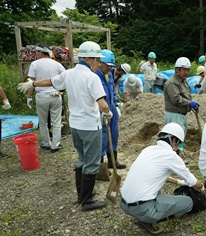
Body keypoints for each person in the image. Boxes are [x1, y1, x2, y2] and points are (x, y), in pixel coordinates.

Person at [18, 41, 113, 211]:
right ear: (89, 59)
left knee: (82, 159)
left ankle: (81, 196)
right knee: (91, 162)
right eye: (98, 60)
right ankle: (86, 201)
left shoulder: (69, 73)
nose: (99, 64)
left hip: (75, 125)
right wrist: (108, 113)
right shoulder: (92, 78)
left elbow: (50, 81)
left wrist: (33, 84)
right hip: (90, 125)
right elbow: (102, 104)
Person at [120, 122, 204, 235]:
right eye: (179, 144)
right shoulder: (171, 156)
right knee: (188, 202)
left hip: (124, 203)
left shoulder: (148, 150)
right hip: (142, 209)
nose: (179, 148)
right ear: (174, 141)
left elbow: (156, 175)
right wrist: (201, 186)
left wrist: (179, 182)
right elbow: (193, 182)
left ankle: (144, 215)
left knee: (154, 188)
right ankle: (146, 219)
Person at [27, 43, 66, 153]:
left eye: (37, 52)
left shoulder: (34, 64)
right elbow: (65, 77)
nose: (36, 54)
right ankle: (55, 145)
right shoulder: (56, 64)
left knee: (43, 122)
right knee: (56, 122)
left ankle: (46, 143)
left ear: (40, 52)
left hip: (42, 96)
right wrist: (60, 90)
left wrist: (29, 97)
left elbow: (31, 83)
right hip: (55, 95)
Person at [95, 49, 126, 169]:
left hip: (111, 108)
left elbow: (113, 91)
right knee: (102, 137)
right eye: (107, 65)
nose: (109, 68)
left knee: (113, 134)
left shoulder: (109, 75)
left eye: (111, 66)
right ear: (100, 63)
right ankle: (100, 163)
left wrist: (116, 105)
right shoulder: (95, 76)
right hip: (101, 110)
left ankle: (113, 161)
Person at [163, 57, 199, 135]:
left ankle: (180, 147)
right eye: (184, 70)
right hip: (174, 116)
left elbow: (187, 95)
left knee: (181, 138)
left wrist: (191, 104)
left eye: (188, 70)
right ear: (177, 70)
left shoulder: (184, 82)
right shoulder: (172, 83)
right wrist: (189, 103)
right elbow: (175, 99)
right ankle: (178, 147)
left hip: (181, 115)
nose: (186, 72)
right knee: (175, 138)